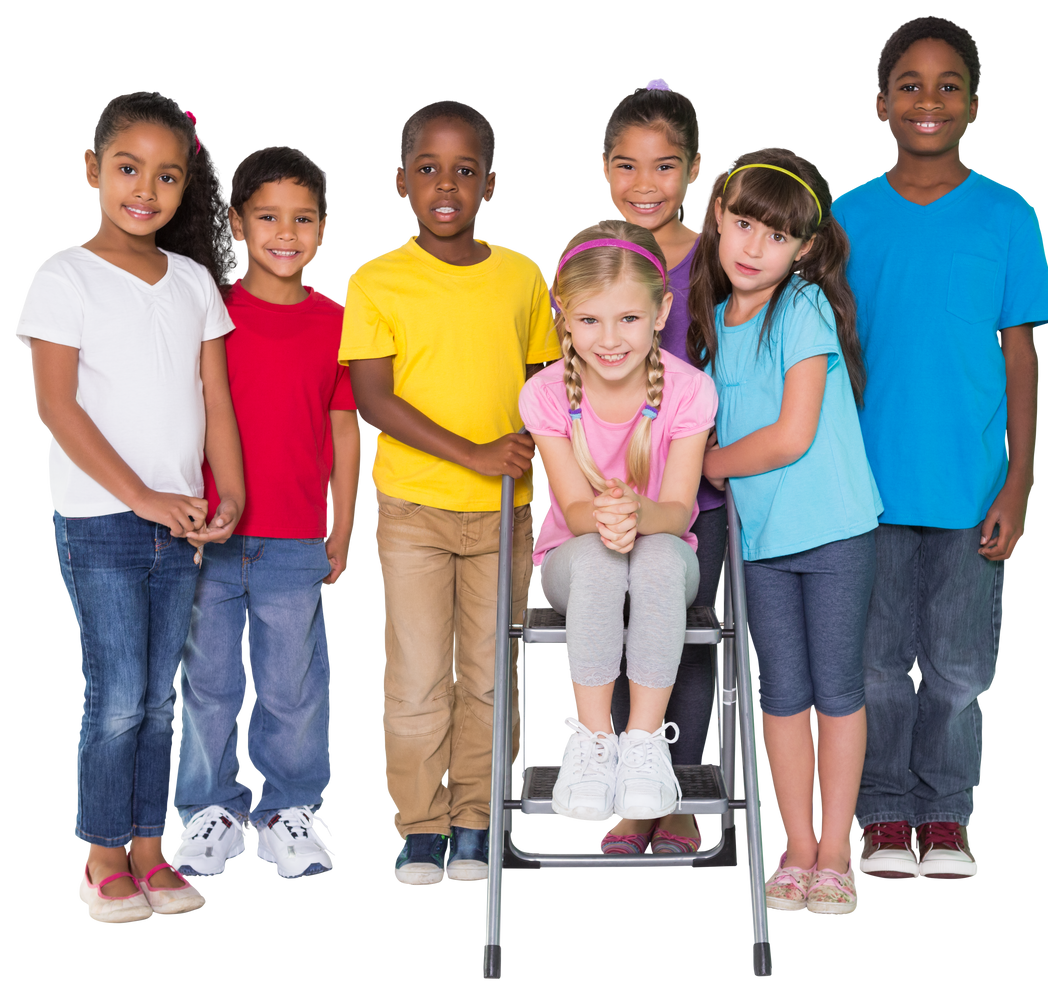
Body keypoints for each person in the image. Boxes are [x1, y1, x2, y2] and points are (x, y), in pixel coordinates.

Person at [831, 14, 1048, 882]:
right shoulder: (844, 216)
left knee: (963, 667)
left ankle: (948, 817)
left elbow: (1020, 353)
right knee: (878, 666)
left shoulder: (1009, 214)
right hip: (866, 489)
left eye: (948, 87)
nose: (928, 100)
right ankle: (885, 814)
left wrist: (1020, 485)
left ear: (975, 106)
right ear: (880, 105)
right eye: (909, 86)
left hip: (973, 487)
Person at [15, 89, 244, 924]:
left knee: (161, 695)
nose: (145, 188)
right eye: (126, 168)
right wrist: (142, 494)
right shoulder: (62, 274)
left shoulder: (191, 282)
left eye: (167, 176)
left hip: (180, 519)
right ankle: (102, 856)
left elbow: (214, 397)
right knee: (117, 694)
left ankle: (152, 849)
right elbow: (58, 407)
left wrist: (231, 493)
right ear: (91, 170)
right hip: (101, 519)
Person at [341, 98, 561, 887]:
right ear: (400, 181)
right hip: (412, 511)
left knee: (490, 671)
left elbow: (544, 391)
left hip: (508, 512)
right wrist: (473, 451)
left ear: (491, 185)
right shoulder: (375, 279)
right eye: (428, 169)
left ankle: (475, 818)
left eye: (465, 171)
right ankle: (421, 829)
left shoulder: (524, 275)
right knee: (417, 674)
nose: (446, 185)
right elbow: (374, 401)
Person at [688, 144, 882, 916]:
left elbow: (792, 435)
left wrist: (710, 463)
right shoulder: (710, 322)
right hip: (761, 544)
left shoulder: (801, 307)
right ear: (719, 222)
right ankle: (795, 848)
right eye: (741, 225)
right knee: (781, 695)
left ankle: (837, 851)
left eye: (774, 235)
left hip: (833, 531)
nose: (752, 247)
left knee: (834, 692)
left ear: (804, 247)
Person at [170, 144, 361, 882]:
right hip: (207, 535)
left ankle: (289, 808)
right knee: (208, 683)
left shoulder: (339, 321)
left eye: (304, 218)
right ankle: (210, 809)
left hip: (293, 538)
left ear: (323, 228)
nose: (287, 232)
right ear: (237, 224)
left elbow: (345, 427)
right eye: (269, 217)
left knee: (294, 683)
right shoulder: (206, 309)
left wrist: (343, 525)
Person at [520, 218, 716, 837]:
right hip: (572, 557)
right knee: (604, 558)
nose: (609, 339)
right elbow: (574, 510)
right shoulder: (546, 393)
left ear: (661, 312)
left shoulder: (689, 391)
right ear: (564, 315)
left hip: (662, 549)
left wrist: (635, 512)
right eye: (591, 321)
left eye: (628, 319)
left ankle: (642, 742)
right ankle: (594, 740)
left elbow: (681, 509)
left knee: (656, 556)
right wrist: (604, 519)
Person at [596, 76, 723, 854]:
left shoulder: (716, 256)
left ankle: (672, 794)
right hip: (610, 488)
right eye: (630, 166)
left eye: (666, 166)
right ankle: (623, 796)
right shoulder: (591, 252)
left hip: (690, 489)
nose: (648, 185)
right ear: (604, 166)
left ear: (696, 168)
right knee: (610, 632)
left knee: (683, 639)